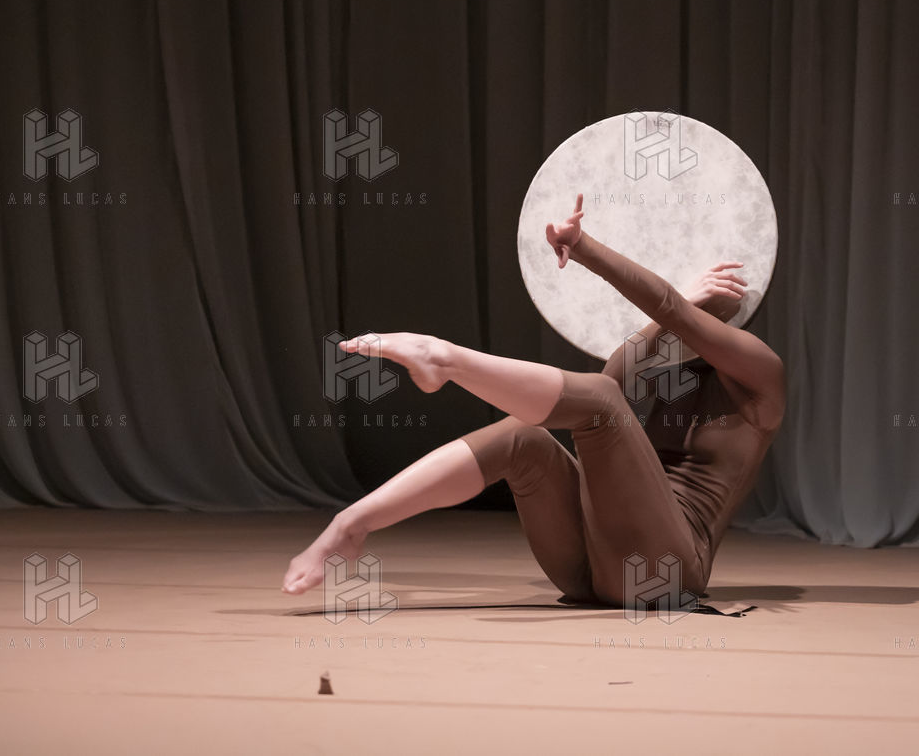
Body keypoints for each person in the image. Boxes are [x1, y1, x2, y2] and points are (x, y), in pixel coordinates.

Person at [282, 193, 785, 608]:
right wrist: (667, 317)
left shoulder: (763, 377)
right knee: (524, 437)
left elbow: (660, 325)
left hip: (666, 573)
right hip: (592, 568)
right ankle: (351, 526)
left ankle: (443, 358)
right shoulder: (673, 364)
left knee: (601, 402)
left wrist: (585, 248)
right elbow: (613, 376)